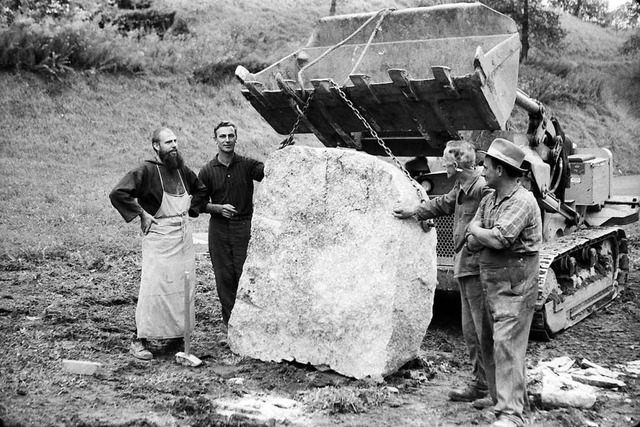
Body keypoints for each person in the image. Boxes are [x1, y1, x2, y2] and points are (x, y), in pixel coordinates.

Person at [393, 140, 493, 406]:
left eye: (447, 162)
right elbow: (442, 205)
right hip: (466, 268)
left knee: (483, 329)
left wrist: (473, 243)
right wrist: (414, 210)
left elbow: (493, 228)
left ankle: (492, 388)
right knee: (470, 331)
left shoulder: (483, 189)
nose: (443, 166)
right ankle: (480, 383)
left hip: (479, 269)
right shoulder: (462, 186)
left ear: (458, 166)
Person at [109, 127, 208, 360]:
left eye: (175, 141)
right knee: (154, 287)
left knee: (182, 286)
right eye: (168, 142)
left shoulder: (181, 170)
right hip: (159, 236)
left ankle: (176, 337)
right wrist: (141, 213)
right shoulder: (145, 170)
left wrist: (191, 210)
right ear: (156, 146)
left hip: (183, 237)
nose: (174, 146)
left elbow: (201, 190)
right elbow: (118, 193)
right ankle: (139, 339)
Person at [466, 138, 543, 427]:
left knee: (507, 344)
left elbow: (499, 239)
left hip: (515, 285)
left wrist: (478, 230)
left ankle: (512, 414)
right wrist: (479, 232)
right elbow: (471, 242)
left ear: (499, 170)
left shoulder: (523, 201)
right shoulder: (489, 199)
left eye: (485, 166)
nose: (481, 170)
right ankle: (500, 401)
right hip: (492, 282)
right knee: (492, 341)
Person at [198, 120, 265, 328]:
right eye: (222, 137)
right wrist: (218, 208)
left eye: (231, 136)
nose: (227, 140)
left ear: (236, 138)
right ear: (215, 140)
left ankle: (251, 323)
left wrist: (282, 152)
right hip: (218, 230)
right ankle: (231, 325)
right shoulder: (208, 170)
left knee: (246, 274)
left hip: (244, 227)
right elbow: (197, 204)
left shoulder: (247, 165)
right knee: (224, 277)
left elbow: (270, 172)